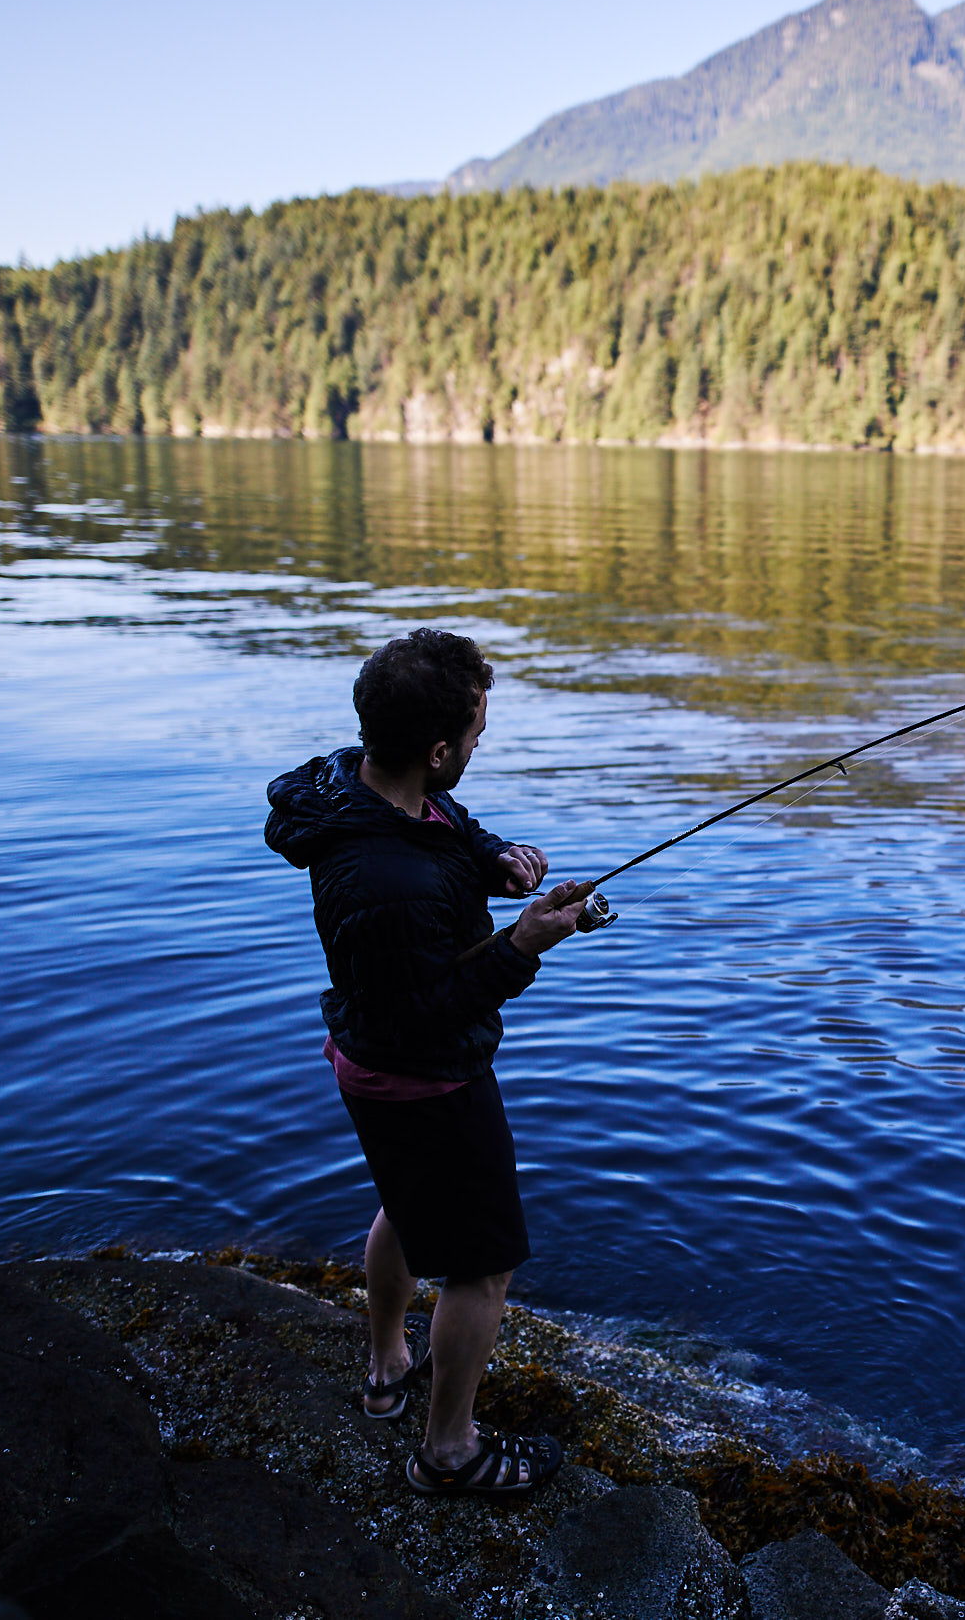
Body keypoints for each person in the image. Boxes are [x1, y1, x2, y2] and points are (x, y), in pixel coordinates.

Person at [264, 628, 594, 1496]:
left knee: (406, 1207)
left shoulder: (364, 784)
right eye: (476, 737)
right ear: (439, 748)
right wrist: (523, 944)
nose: (481, 747)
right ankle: (449, 1449)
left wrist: (497, 861)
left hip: (367, 1058)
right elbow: (428, 1014)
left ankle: (385, 1370)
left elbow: (447, 830)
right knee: (482, 1266)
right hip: (426, 1075)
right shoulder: (383, 884)